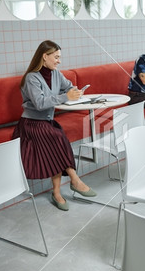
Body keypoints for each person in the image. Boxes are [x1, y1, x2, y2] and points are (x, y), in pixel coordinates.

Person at [12, 40, 97, 211]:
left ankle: (57, 192)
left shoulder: (56, 74)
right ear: (45, 56)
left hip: (46, 122)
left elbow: (68, 86)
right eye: (56, 57)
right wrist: (66, 97)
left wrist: (75, 91)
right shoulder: (31, 78)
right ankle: (74, 180)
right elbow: (40, 103)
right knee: (56, 137)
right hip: (31, 123)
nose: (59, 61)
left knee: (56, 138)